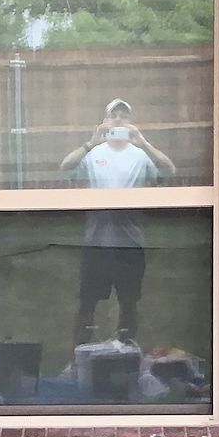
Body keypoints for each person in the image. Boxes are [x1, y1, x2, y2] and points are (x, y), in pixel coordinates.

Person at [58, 98, 177, 347]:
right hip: (96, 244)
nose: (119, 119)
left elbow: (169, 171)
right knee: (87, 303)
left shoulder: (139, 155)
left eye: (124, 115)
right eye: (114, 115)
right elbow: (65, 168)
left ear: (130, 123)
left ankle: (127, 354)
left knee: (129, 304)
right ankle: (79, 356)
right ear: (105, 121)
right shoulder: (95, 154)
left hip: (130, 245)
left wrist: (143, 142)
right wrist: (92, 141)